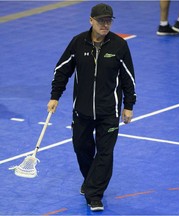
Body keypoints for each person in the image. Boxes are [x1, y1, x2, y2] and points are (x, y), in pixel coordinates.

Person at [47, 3, 136, 212]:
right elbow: (62, 70)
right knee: (81, 148)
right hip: (82, 111)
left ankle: (94, 195)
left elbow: (128, 78)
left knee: (105, 153)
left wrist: (128, 106)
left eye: (109, 21)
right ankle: (90, 181)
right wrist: (55, 96)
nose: (105, 24)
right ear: (91, 21)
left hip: (109, 112)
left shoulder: (119, 46)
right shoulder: (78, 43)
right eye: (101, 20)